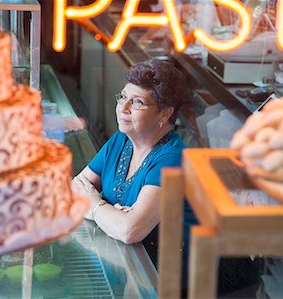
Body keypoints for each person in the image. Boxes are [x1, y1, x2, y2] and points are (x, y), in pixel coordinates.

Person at [72, 57, 196, 245]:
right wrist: (111, 214)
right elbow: (74, 189)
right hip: (124, 254)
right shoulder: (122, 140)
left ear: (165, 113)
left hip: (162, 269)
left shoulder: (173, 160)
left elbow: (129, 231)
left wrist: (95, 205)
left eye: (137, 102)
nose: (124, 107)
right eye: (122, 97)